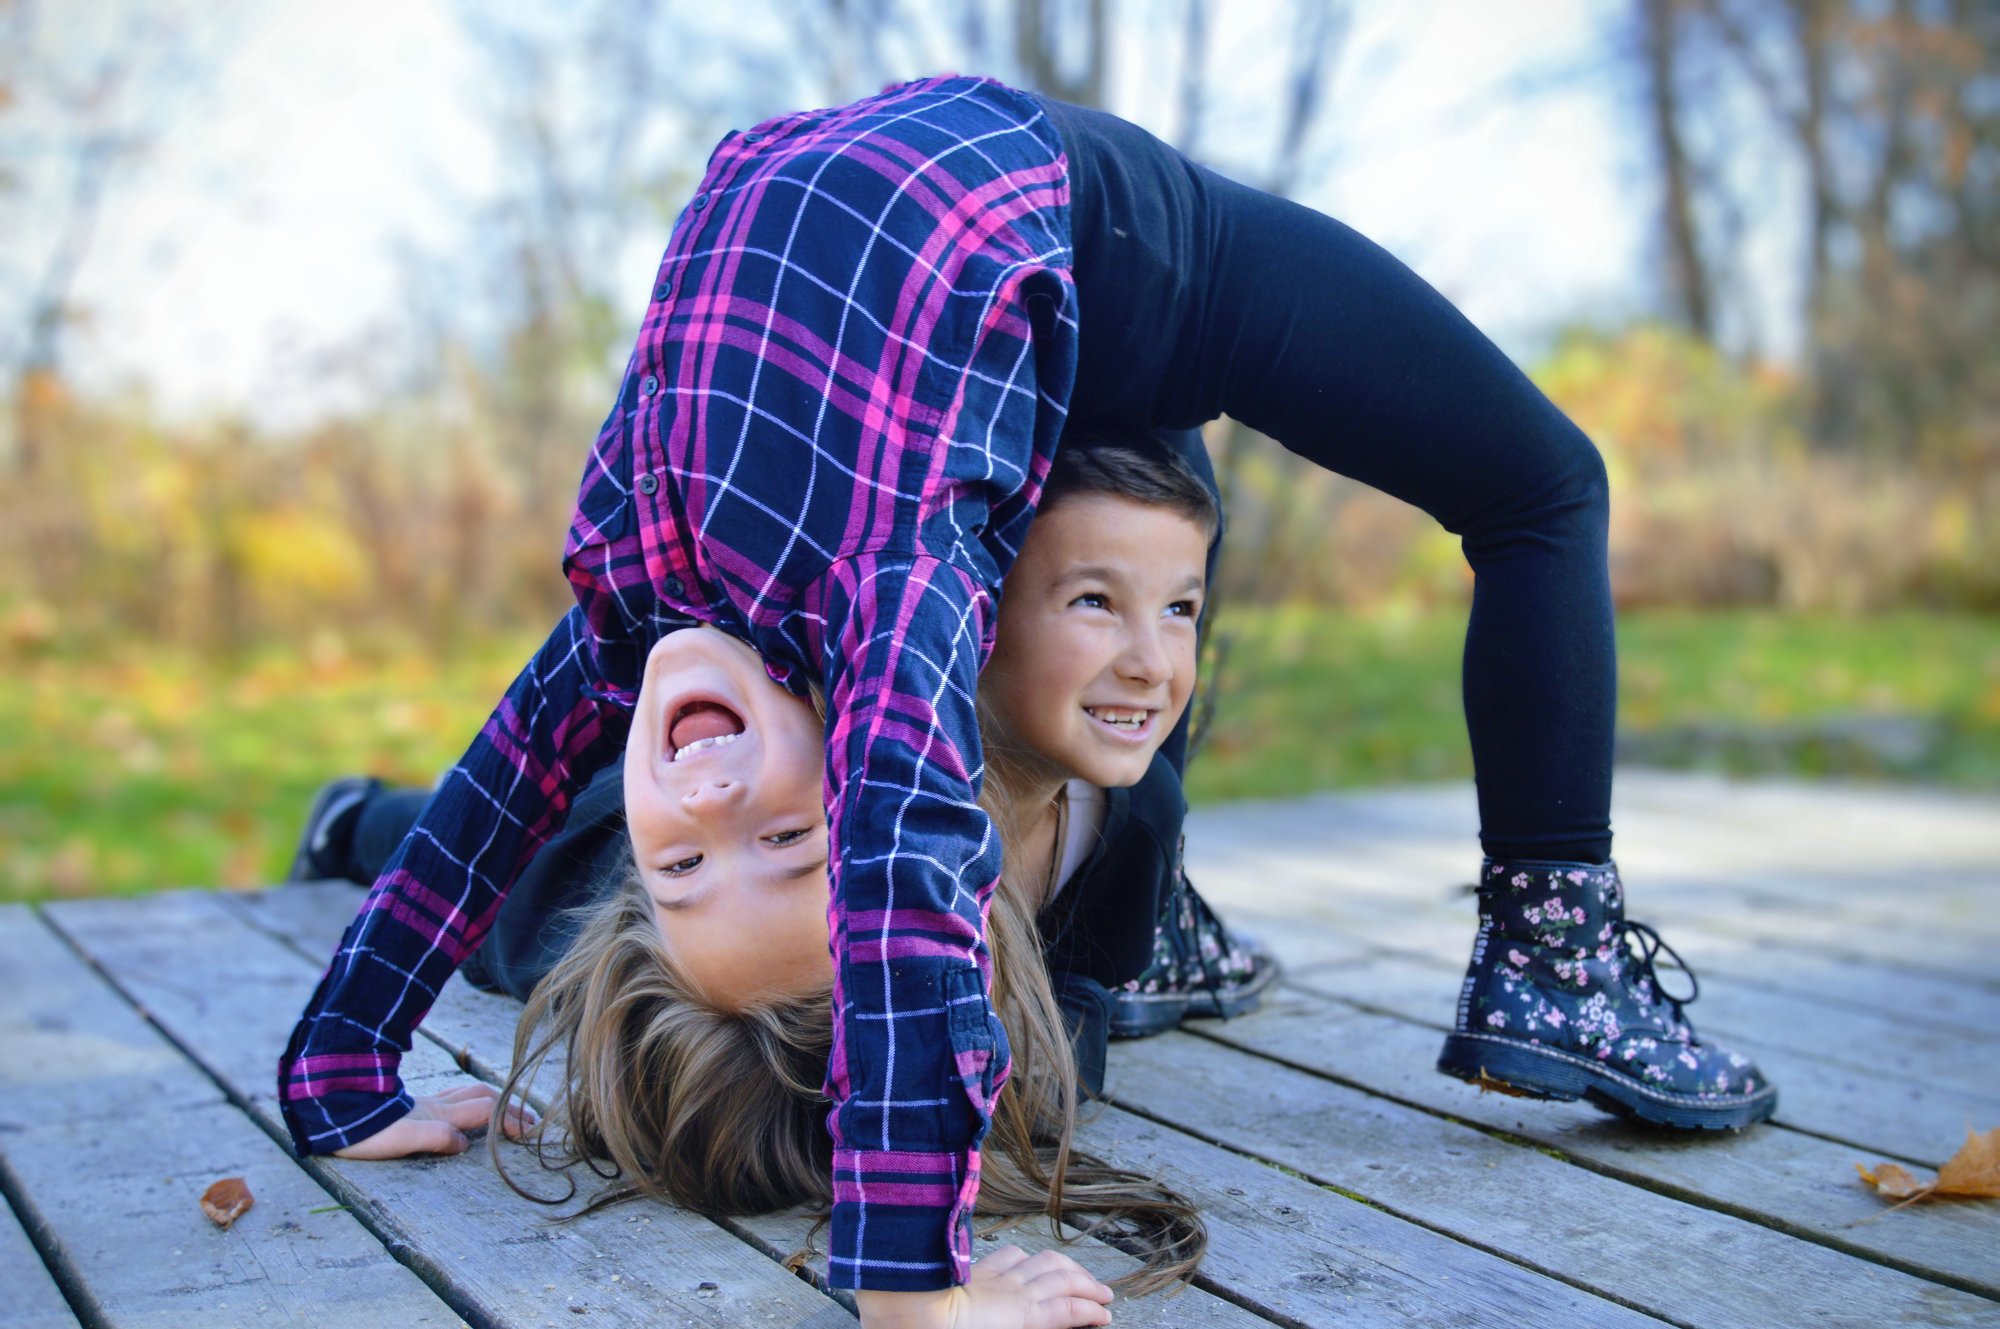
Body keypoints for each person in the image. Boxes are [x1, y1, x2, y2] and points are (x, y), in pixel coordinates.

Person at [281, 74, 1773, 1329]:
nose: (713, 801)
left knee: (1126, 565)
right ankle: (1554, 958)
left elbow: (492, 800)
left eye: (676, 864)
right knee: (1539, 483)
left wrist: (344, 1061)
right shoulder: (888, 606)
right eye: (787, 845)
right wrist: (912, 1290)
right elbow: (914, 878)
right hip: (1096, 250)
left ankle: (1180, 907)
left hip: (929, 224)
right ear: (862, 774)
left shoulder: (636, 587)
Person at [293, 437, 1259, 1294]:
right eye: (798, 847)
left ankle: (356, 820)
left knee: (496, 891)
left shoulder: (648, 843)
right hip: (732, 757)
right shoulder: (1102, 802)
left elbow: (480, 825)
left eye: (791, 844)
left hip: (619, 824)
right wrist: (1037, 1073)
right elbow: (1082, 989)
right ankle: (363, 819)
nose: (722, 816)